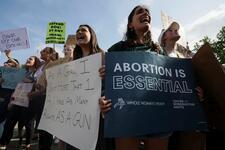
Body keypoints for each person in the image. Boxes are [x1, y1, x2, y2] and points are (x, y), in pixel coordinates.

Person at [100, 5, 169, 150]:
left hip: (158, 117)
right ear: (130, 24)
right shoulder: (116, 50)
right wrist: (103, 98)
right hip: (126, 117)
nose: (146, 13)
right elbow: (106, 85)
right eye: (140, 12)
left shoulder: (160, 51)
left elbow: (170, 81)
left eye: (148, 12)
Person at [158, 21, 206, 150]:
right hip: (165, 112)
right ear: (163, 37)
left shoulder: (184, 58)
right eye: (170, 30)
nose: (175, 31)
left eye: (176, 29)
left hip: (184, 111)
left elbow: (191, 81)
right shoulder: (157, 55)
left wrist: (198, 93)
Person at [0, 56, 41, 150]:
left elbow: (40, 85)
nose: (28, 59)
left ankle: (27, 144)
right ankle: (3, 143)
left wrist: (32, 81)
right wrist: (12, 101)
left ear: (36, 62)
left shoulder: (37, 72)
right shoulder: (22, 71)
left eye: (30, 59)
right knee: (9, 122)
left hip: (30, 101)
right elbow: (18, 86)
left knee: (28, 124)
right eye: (27, 58)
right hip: (18, 100)